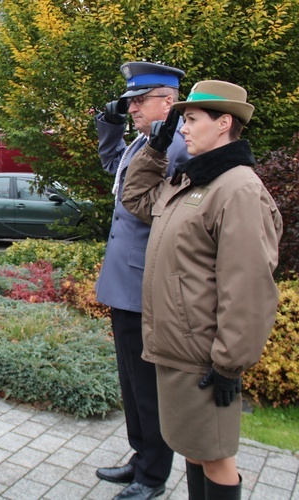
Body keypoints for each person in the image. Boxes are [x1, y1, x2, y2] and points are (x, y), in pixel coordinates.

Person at [121, 81, 283, 500]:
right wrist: (154, 150)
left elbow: (247, 287)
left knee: (215, 456)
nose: (184, 128)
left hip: (205, 358)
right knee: (193, 449)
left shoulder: (238, 189)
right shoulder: (190, 182)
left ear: (224, 122)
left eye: (191, 119)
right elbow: (135, 197)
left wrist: (230, 363)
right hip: (178, 349)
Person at [94, 61, 189, 500]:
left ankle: (152, 476)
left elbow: (158, 207)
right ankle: (140, 457)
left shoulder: (180, 148)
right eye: (129, 100)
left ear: (168, 103)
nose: (131, 107)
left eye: (138, 100)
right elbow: (116, 170)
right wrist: (110, 126)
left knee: (149, 387)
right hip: (124, 282)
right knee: (131, 382)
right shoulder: (140, 143)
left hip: (145, 284)